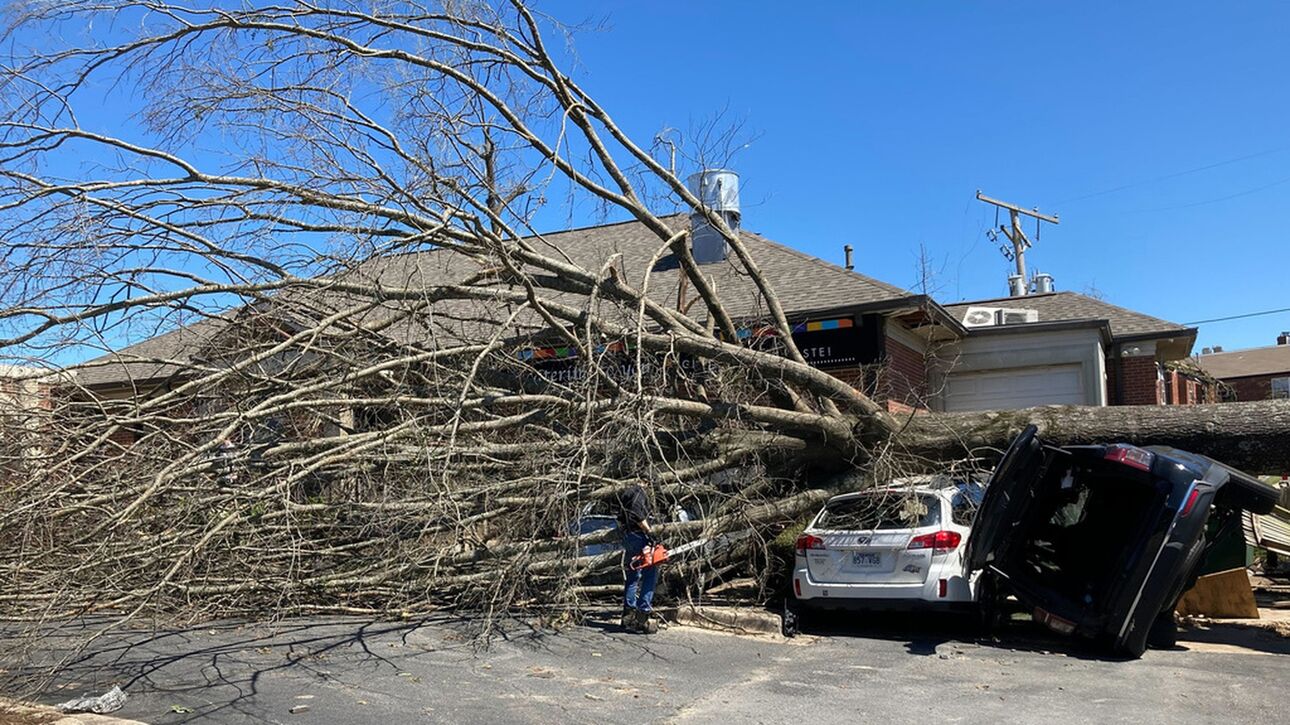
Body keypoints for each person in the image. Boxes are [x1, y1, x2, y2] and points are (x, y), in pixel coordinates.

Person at [616, 481, 658, 633]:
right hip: (640, 536)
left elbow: (619, 518)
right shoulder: (639, 492)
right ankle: (642, 615)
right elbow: (636, 513)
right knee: (650, 573)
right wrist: (649, 531)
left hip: (628, 536)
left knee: (633, 575)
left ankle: (628, 615)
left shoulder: (626, 494)